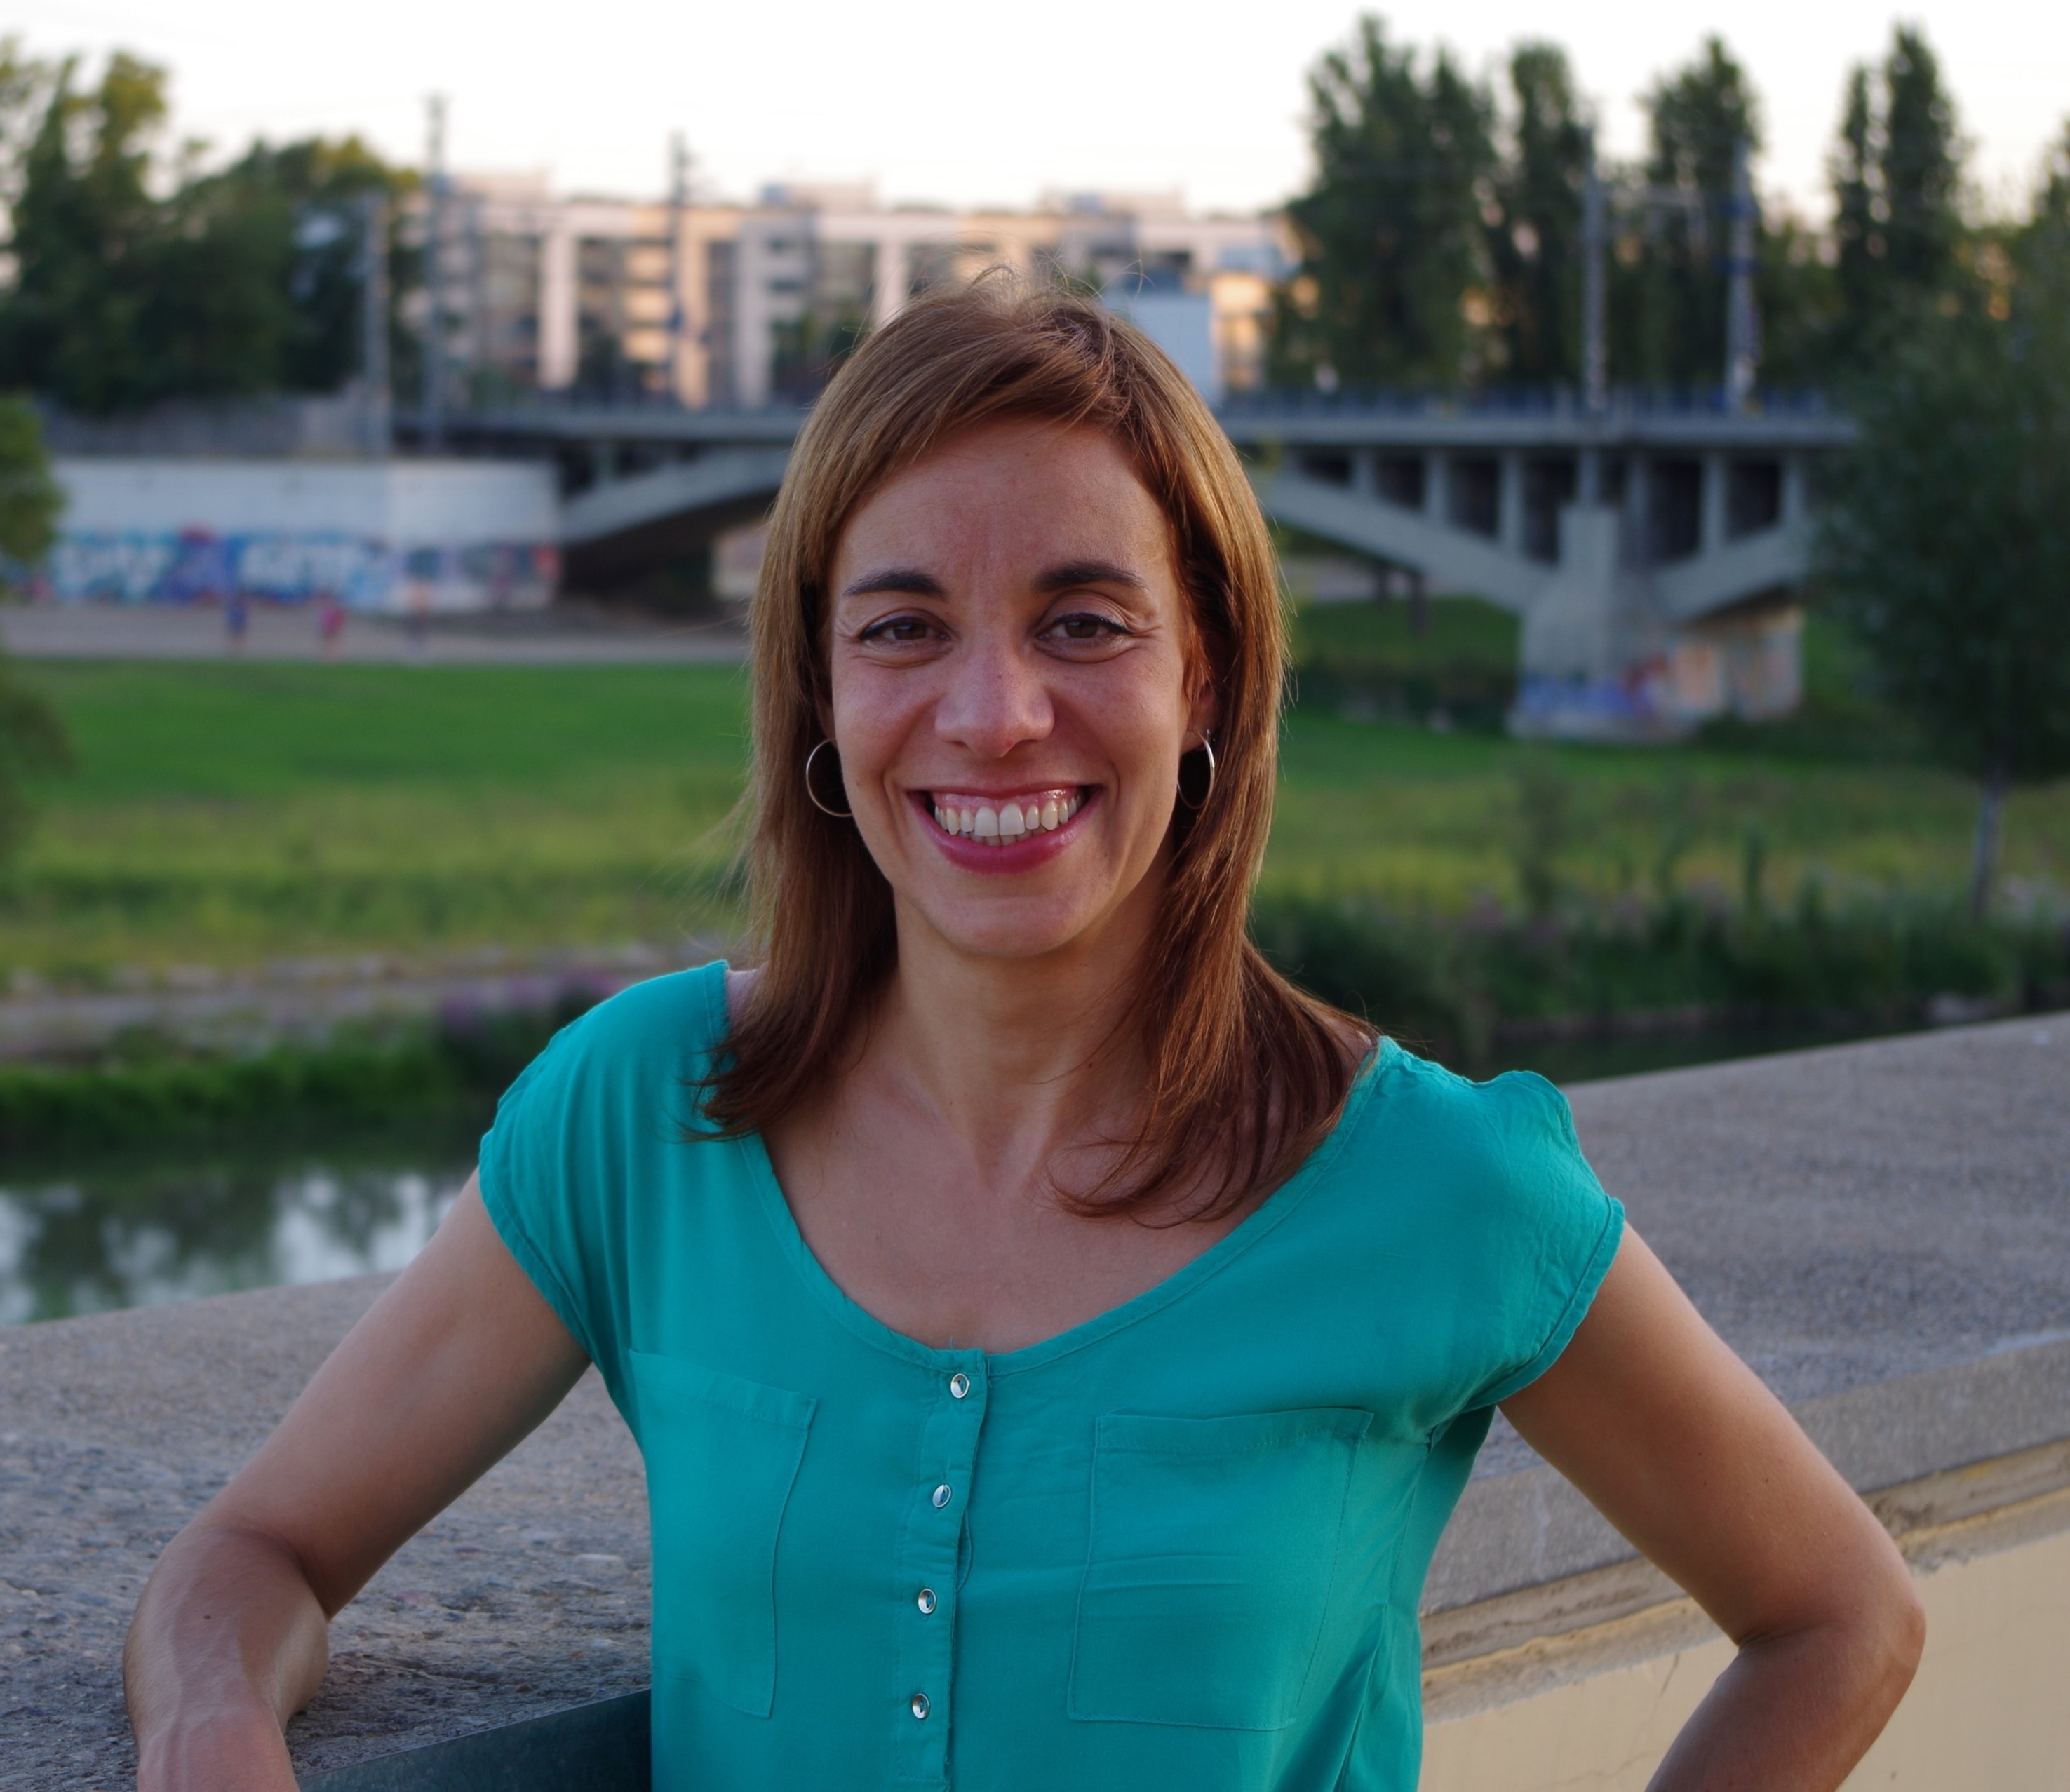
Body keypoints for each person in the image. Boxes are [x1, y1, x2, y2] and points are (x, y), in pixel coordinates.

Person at [123, 286, 1922, 1791]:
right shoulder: (643, 1116)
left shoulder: (1440, 1185)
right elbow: (253, 1556)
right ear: (823, 686)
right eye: (903, 627)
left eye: (1083, 622)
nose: (992, 714)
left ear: (1204, 674)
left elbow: (1837, 1614)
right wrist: (213, 1735)